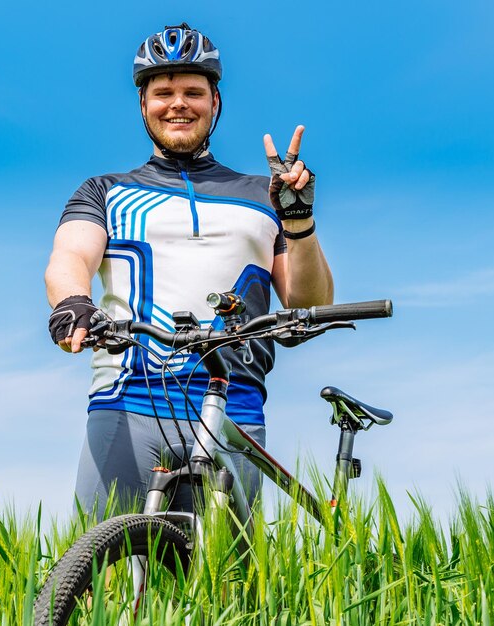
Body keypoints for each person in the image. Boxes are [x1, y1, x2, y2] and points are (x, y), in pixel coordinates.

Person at [45, 23, 333, 514]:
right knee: (101, 577)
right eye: (164, 92)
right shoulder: (106, 190)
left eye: (193, 92)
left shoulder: (261, 197)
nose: (179, 103)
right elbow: (70, 257)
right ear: (143, 105)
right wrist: (74, 302)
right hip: (129, 396)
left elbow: (310, 303)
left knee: (228, 584)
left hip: (234, 405)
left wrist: (299, 220)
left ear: (215, 102)